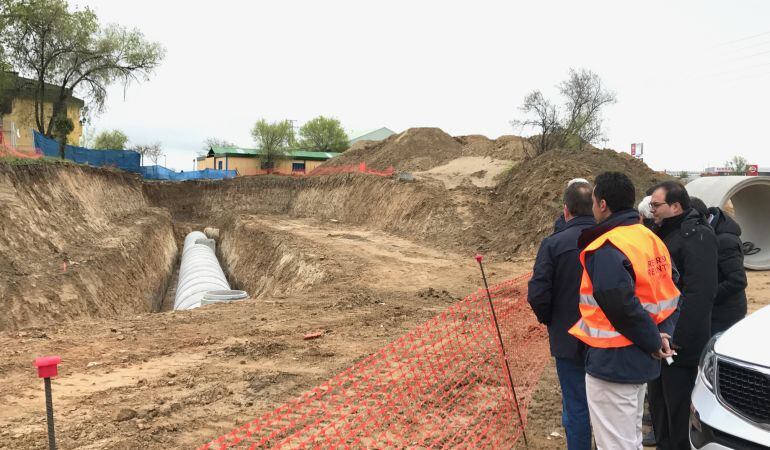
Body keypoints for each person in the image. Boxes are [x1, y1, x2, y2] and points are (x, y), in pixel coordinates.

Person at [568, 172, 679, 449]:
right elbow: (671, 290)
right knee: (630, 439)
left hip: (614, 362)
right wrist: (662, 334)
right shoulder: (650, 238)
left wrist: (654, 340)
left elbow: (619, 302)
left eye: (594, 200)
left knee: (616, 443)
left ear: (603, 204)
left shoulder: (607, 246)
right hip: (641, 358)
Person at [649, 182, 718, 450]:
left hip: (679, 345)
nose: (652, 210)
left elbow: (700, 294)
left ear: (675, 206)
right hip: (659, 340)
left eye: (656, 205)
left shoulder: (697, 236)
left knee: (678, 413)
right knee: (659, 408)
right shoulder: (661, 233)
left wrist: (676, 339)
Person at [528, 181, 595, 450]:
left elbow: (538, 293)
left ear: (566, 210)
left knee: (576, 406)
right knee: (609, 407)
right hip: (610, 339)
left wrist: (551, 319)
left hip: (569, 339)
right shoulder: (614, 238)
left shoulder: (554, 244)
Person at [690, 197, 748, 335]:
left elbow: (737, 280)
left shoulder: (724, 241)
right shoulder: (709, 232)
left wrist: (707, 296)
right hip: (715, 311)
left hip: (726, 315)